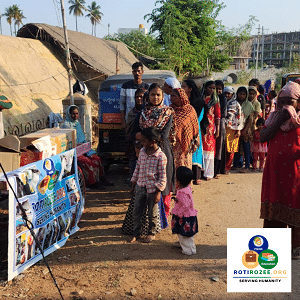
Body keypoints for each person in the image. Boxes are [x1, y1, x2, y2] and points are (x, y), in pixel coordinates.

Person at [259, 80, 300, 259]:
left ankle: (296, 246)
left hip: (295, 172)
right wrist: (280, 120)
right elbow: (263, 137)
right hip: (274, 171)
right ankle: (274, 247)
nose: (284, 105)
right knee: (274, 202)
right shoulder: (274, 117)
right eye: (281, 101)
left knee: (295, 203)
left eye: (289, 102)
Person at [133, 83, 175, 218]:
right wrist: (144, 137)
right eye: (152, 94)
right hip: (144, 153)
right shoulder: (141, 113)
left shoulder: (168, 112)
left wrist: (144, 136)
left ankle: (162, 218)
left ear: (163, 96)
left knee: (162, 183)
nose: (155, 97)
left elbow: (163, 135)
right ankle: (146, 219)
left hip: (161, 151)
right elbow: (135, 132)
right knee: (145, 184)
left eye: (158, 95)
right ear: (148, 96)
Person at [122, 139, 168, 236]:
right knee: (136, 211)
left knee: (152, 213)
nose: (142, 143)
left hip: (153, 189)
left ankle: (151, 233)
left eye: (144, 141)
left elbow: (163, 177)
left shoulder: (161, 156)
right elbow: (137, 168)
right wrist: (133, 183)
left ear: (153, 141)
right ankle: (136, 232)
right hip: (140, 186)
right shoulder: (142, 152)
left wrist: (158, 192)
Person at [61, 105, 112, 188]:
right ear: (69, 114)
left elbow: (81, 138)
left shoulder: (77, 123)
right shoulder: (66, 126)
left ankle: (102, 179)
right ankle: (92, 183)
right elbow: (68, 143)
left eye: (77, 114)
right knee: (87, 162)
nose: (75, 116)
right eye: (73, 114)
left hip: (82, 149)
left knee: (97, 159)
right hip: (73, 151)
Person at [170, 88, 199, 190]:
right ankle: (175, 188)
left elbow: (195, 128)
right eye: (171, 95)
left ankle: (185, 188)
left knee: (184, 166)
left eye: (174, 96)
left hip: (185, 147)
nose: (171, 98)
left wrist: (194, 142)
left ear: (181, 97)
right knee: (173, 166)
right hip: (173, 145)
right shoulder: (170, 110)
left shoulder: (190, 110)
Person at [181, 79, 208, 185]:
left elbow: (198, 117)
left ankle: (196, 176)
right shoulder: (181, 101)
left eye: (184, 87)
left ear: (190, 89)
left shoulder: (198, 102)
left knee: (195, 151)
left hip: (195, 128)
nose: (182, 89)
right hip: (183, 129)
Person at [171, 166, 198, 256]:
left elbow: (186, 205)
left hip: (184, 216)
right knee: (183, 232)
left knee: (186, 234)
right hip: (187, 215)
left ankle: (189, 250)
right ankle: (182, 243)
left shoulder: (182, 192)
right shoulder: (187, 189)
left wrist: (178, 213)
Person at [200, 81, 221, 180]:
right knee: (200, 148)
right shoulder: (200, 99)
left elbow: (218, 116)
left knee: (209, 149)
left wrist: (218, 129)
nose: (212, 90)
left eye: (213, 88)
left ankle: (208, 173)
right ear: (205, 88)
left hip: (210, 128)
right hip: (200, 126)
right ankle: (200, 172)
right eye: (210, 88)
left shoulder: (215, 100)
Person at [119, 62, 149, 128]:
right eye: (135, 71)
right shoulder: (125, 86)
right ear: (132, 72)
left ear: (142, 72)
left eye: (138, 71)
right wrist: (123, 122)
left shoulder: (146, 87)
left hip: (143, 119)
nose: (137, 73)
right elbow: (122, 104)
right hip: (130, 119)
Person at [125, 88, 146, 182]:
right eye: (137, 97)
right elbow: (129, 127)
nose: (139, 99)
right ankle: (132, 179)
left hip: (146, 141)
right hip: (134, 141)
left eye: (141, 96)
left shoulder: (147, 111)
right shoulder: (132, 113)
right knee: (134, 160)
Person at [232, 87, 255, 172]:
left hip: (246, 128)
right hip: (235, 127)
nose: (242, 96)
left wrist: (245, 129)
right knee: (236, 147)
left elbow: (250, 119)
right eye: (240, 94)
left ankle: (247, 166)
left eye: (244, 94)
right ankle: (235, 164)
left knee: (246, 148)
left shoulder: (248, 105)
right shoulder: (234, 103)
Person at [224, 89, 244, 174]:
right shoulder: (223, 102)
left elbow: (240, 118)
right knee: (224, 149)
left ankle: (227, 167)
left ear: (233, 94)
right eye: (226, 93)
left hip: (234, 129)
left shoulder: (235, 104)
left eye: (229, 93)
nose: (227, 95)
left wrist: (239, 130)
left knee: (231, 150)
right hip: (225, 129)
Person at [214, 80, 227, 178]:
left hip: (220, 123)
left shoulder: (222, 98)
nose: (218, 91)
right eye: (216, 88)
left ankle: (218, 170)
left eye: (219, 89)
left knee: (219, 148)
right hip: (211, 123)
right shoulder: (212, 98)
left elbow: (223, 113)